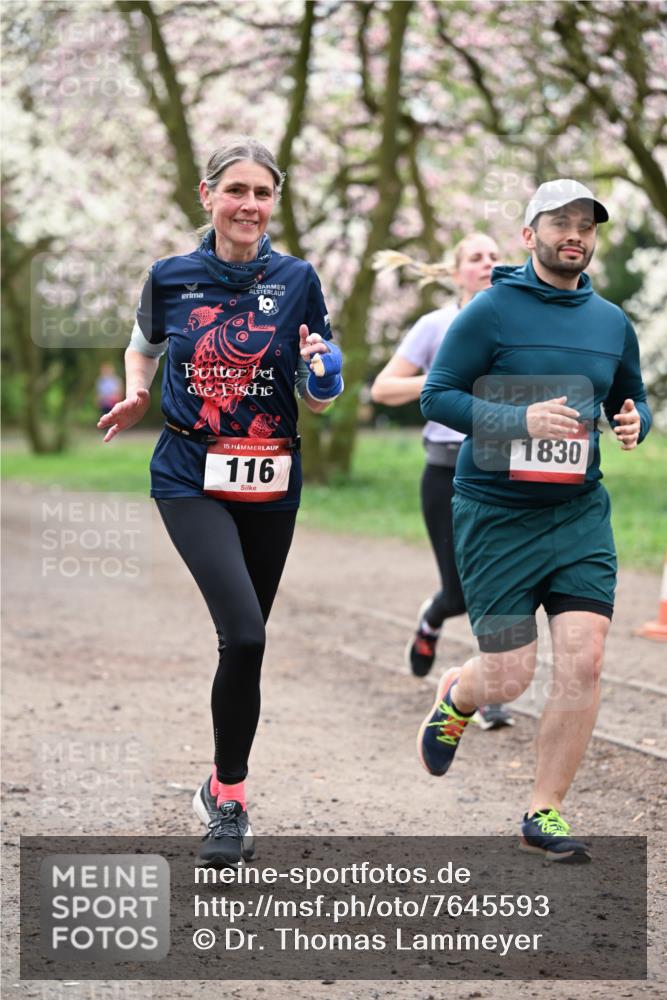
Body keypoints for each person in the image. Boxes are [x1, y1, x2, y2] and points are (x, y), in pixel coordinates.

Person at [98, 136, 343, 866]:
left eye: (262, 193)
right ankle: (231, 798)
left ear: (275, 201)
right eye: (235, 190)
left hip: (270, 475)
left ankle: (215, 782)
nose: (249, 205)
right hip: (188, 473)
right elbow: (142, 344)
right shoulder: (169, 276)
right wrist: (139, 387)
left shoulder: (298, 279)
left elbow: (321, 387)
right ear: (207, 195)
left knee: (245, 644)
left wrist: (323, 376)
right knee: (244, 635)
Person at [416, 179, 651, 862]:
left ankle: (541, 810)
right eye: (559, 223)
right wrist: (516, 419)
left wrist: (635, 419)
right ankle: (460, 695)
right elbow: (437, 395)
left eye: (586, 225)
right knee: (510, 675)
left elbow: (629, 398)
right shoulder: (489, 311)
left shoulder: (610, 322)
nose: (574, 235)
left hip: (577, 513)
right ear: (529, 235)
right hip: (495, 516)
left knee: (585, 658)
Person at [371, 236, 514, 730]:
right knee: (459, 593)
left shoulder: (515, 322)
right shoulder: (435, 326)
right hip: (446, 471)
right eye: (475, 258)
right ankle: (433, 616)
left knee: (498, 582)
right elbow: (383, 388)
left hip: (502, 467)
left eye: (495, 256)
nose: (488, 264)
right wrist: (442, 380)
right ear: (456, 274)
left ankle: (492, 690)